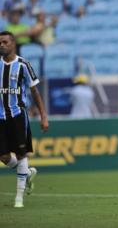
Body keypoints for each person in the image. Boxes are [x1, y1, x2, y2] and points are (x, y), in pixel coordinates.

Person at [0, 31, 48, 208]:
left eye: (5, 42)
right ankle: (27, 174)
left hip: (18, 115)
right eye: (0, 43)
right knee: (3, 156)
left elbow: (35, 91)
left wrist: (43, 116)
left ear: (13, 44)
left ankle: (19, 197)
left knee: (21, 154)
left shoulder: (23, 65)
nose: (2, 45)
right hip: (0, 116)